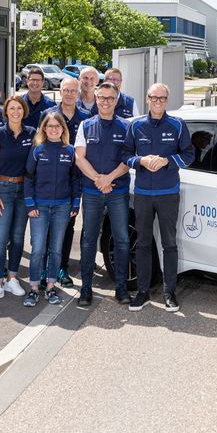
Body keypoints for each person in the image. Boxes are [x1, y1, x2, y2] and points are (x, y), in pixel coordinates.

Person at [124, 82, 194, 312]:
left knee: (169, 243)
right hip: (143, 193)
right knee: (143, 243)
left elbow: (189, 154)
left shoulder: (177, 125)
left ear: (167, 101)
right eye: (154, 97)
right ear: (147, 99)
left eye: (162, 98)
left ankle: (169, 293)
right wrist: (141, 161)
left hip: (168, 193)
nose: (157, 102)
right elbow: (125, 155)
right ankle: (142, 292)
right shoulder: (136, 126)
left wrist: (167, 161)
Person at [74, 82, 134, 307]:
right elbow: (79, 157)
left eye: (110, 98)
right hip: (92, 191)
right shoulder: (86, 125)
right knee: (89, 240)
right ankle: (86, 289)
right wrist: (99, 179)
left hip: (118, 191)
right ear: (96, 99)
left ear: (116, 100)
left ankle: (121, 288)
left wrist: (109, 178)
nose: (105, 102)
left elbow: (128, 159)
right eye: (102, 97)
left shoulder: (127, 127)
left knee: (122, 239)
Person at [23, 111, 81, 307]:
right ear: (44, 129)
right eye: (50, 126)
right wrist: (30, 204)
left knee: (56, 250)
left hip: (62, 207)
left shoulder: (70, 151)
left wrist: (75, 203)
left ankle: (50, 287)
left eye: (57, 126)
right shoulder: (37, 150)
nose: (54, 129)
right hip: (39, 207)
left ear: (63, 129)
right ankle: (33, 289)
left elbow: (75, 180)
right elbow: (28, 178)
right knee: (38, 249)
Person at [0, 96, 35, 303]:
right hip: (3, 188)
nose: (15, 112)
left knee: (18, 237)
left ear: (24, 111)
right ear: (6, 112)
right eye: (11, 108)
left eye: (19, 108)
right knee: (0, 237)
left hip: (24, 190)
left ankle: (12, 277)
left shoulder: (31, 133)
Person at [47, 77, 87, 288]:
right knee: (46, 225)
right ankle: (46, 268)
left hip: (74, 179)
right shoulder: (49, 114)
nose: (70, 94)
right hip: (50, 178)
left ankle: (62, 267)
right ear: (60, 91)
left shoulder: (86, 117)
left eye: (73, 91)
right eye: (66, 90)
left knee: (68, 225)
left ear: (78, 93)